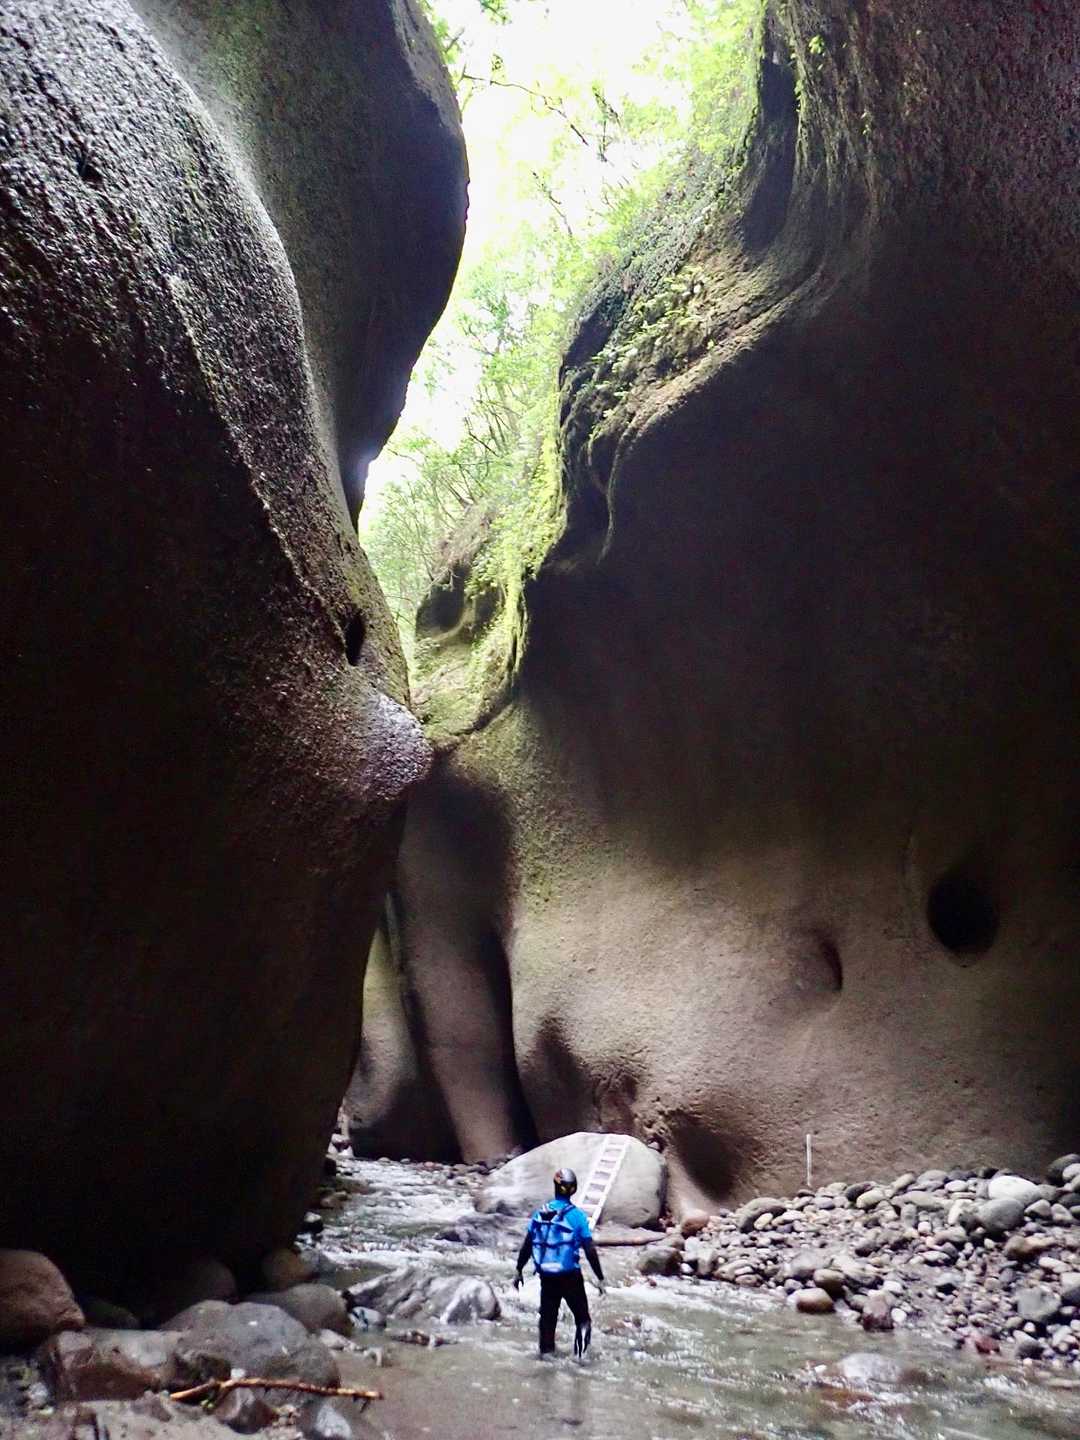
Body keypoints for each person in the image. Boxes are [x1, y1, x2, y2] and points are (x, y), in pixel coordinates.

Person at [514, 1166, 605, 1358]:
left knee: (547, 1321)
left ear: (555, 1187)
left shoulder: (540, 1213)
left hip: (547, 1277)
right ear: (574, 1189)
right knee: (583, 1320)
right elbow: (590, 1249)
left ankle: (545, 1359)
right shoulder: (577, 1216)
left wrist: (518, 1270)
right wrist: (600, 1277)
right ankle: (580, 1360)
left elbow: (527, 1245)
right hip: (571, 1276)